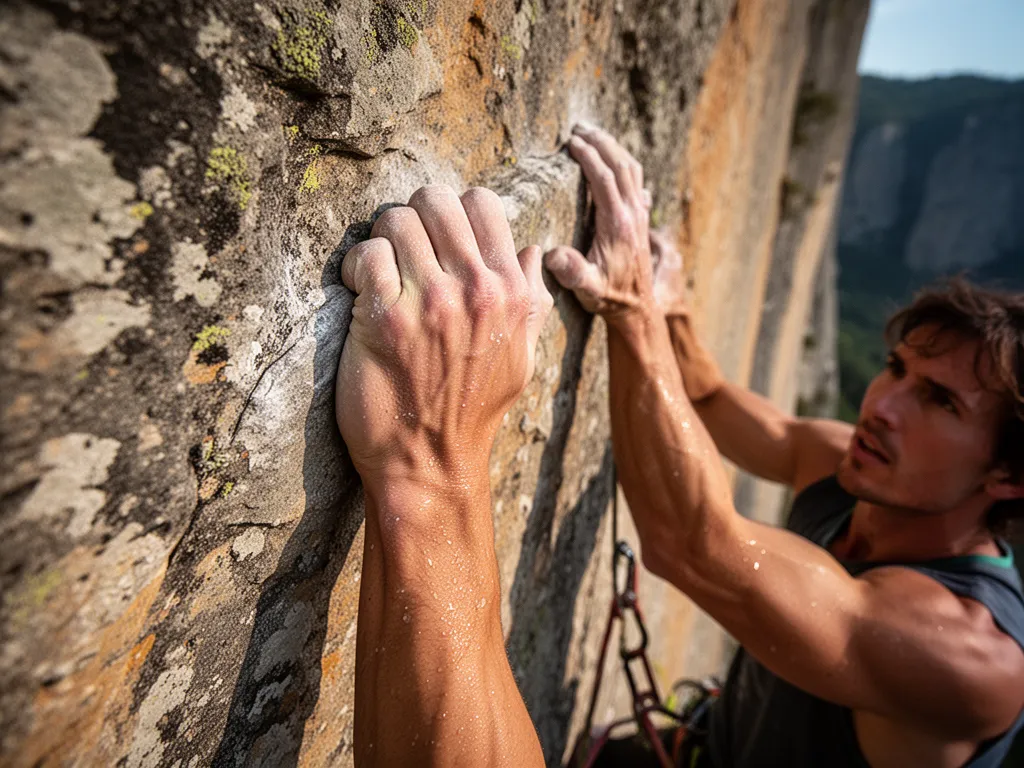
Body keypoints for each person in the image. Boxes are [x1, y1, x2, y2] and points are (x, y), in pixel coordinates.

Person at [336, 125, 1024, 767]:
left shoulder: (973, 663)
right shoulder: (855, 466)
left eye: (940, 402)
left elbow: (697, 544)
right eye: (899, 368)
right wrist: (667, 301)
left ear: (1007, 477)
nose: (884, 405)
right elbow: (713, 396)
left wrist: (631, 309)